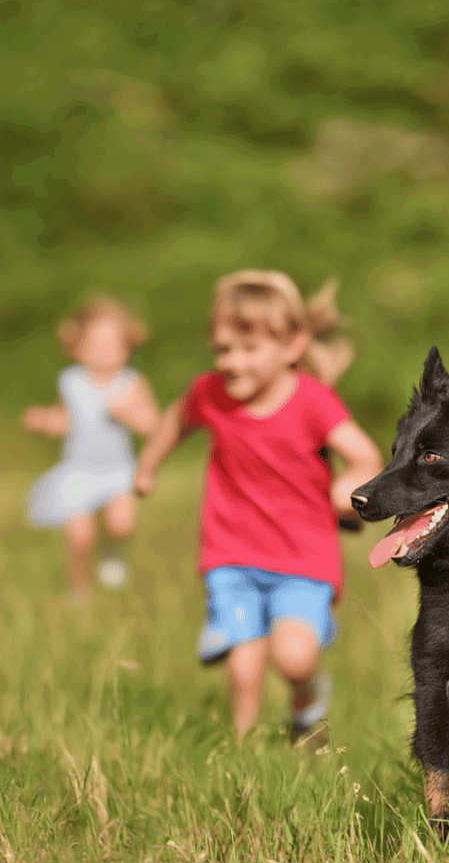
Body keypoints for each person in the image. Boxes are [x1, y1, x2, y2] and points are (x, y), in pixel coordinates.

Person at [134, 270, 383, 742]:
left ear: (291, 347)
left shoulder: (313, 400)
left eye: (249, 350)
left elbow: (367, 455)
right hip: (231, 551)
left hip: (302, 555)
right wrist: (147, 465)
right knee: (243, 662)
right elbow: (175, 420)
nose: (232, 362)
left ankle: (307, 700)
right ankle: (242, 747)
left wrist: (349, 488)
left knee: (293, 657)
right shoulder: (209, 394)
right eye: (223, 349)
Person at [23, 295, 160, 595]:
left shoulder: (130, 383)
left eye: (111, 346)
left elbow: (154, 425)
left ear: (127, 347)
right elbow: (65, 420)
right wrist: (44, 421)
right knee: (78, 535)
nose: (102, 354)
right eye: (94, 346)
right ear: (76, 347)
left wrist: (129, 414)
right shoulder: (72, 381)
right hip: (79, 468)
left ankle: (112, 555)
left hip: (117, 470)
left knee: (121, 524)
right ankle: (79, 588)